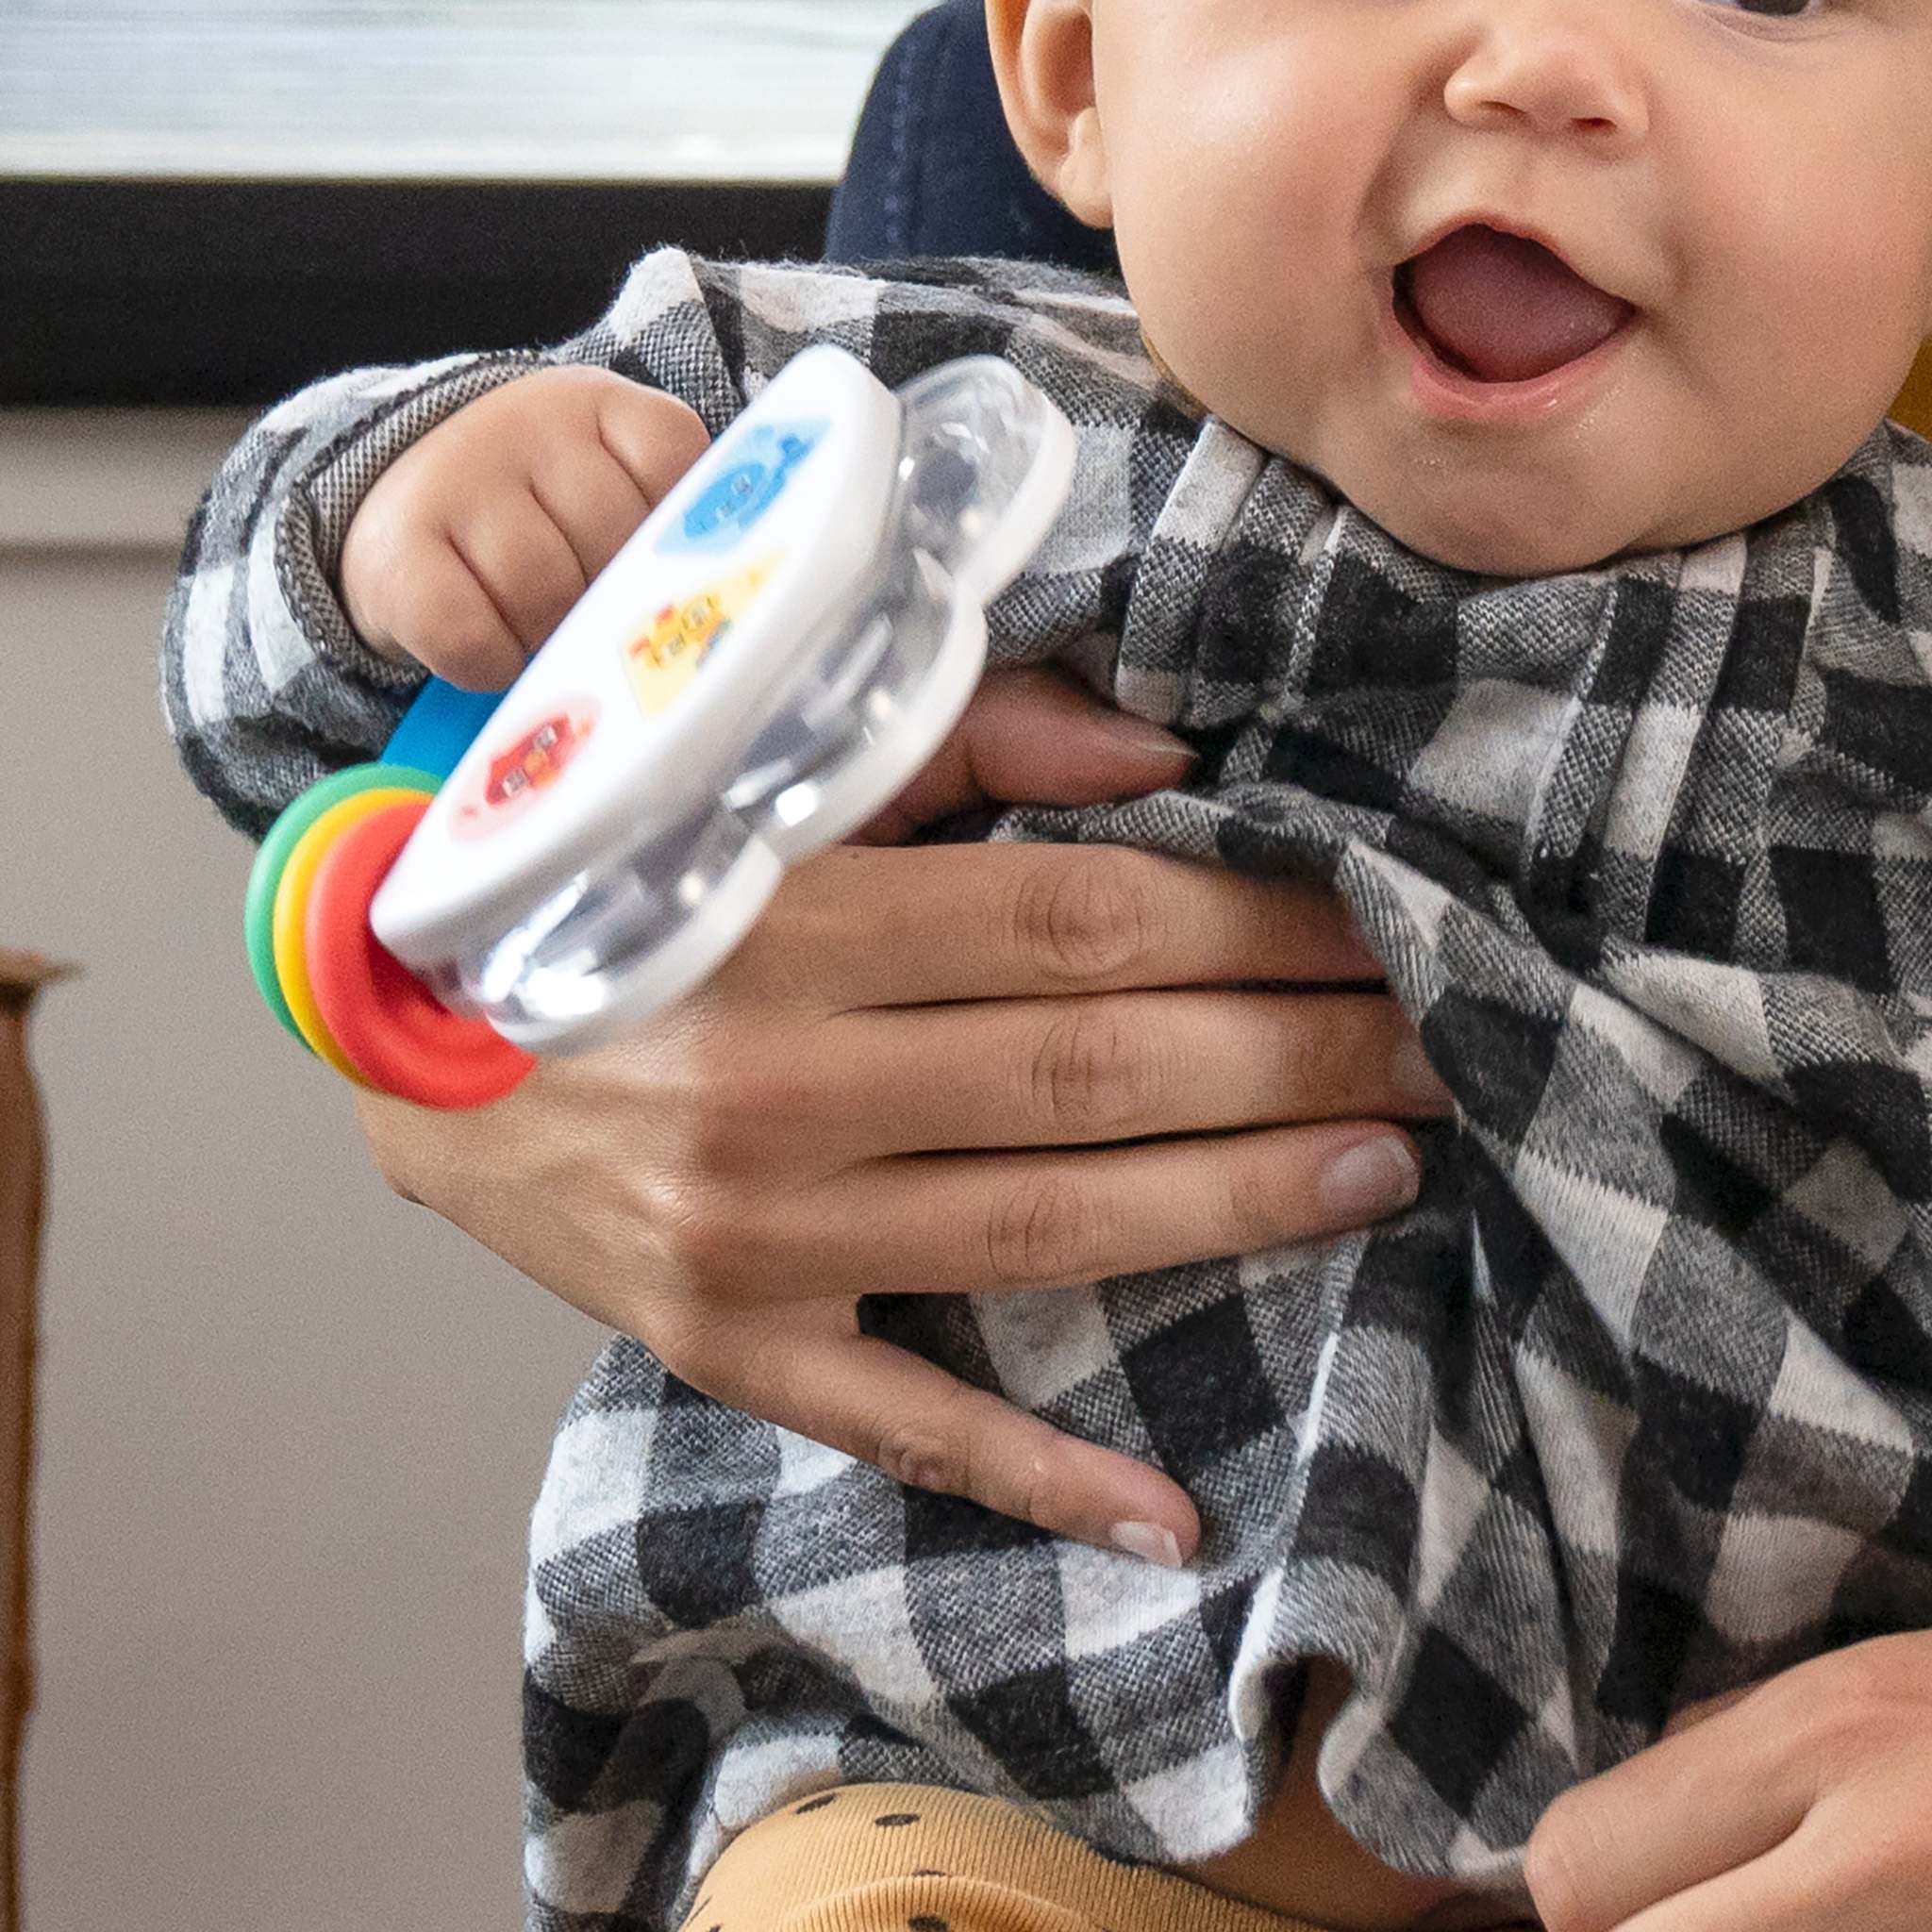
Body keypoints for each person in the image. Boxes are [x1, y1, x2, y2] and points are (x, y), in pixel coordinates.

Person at [158, 1, 1932, 1927]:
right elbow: (275, 699)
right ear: (1079, 81)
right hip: (956, 1791)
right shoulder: (861, 415)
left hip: (1741, 1827)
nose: (1542, 67)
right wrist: (421, 518)